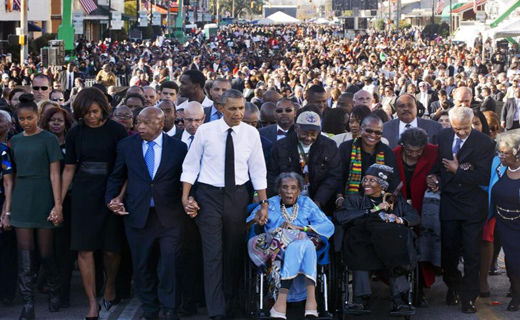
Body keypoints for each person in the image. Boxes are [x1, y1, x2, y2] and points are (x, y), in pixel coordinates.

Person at [180, 89, 268, 320]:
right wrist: (185, 196)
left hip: (238, 196)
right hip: (208, 196)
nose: (238, 113)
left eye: (241, 108)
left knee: (233, 251)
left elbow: (258, 169)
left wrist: (264, 203)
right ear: (220, 108)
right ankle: (216, 310)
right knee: (212, 253)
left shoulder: (251, 134)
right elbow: (191, 165)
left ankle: (233, 301)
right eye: (233, 108)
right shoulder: (206, 131)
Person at [106, 107, 187, 320]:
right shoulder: (126, 146)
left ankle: (169, 307)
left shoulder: (178, 148)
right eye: (138, 121)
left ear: (160, 124)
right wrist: (112, 199)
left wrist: (190, 200)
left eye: (146, 123)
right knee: (142, 266)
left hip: (169, 217)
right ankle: (150, 308)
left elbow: (186, 180)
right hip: (137, 215)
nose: (139, 126)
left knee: (168, 264)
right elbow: (117, 176)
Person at [61, 87, 128, 319]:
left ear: (103, 109)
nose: (91, 116)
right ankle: (92, 302)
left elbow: (126, 168)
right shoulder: (75, 133)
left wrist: (119, 196)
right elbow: (69, 168)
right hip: (83, 193)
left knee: (111, 249)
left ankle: (109, 286)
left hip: (110, 191)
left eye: (95, 111)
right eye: (86, 112)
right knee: (84, 248)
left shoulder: (117, 131)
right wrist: (58, 203)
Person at [427, 106, 495, 313]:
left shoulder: (485, 143)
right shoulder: (442, 137)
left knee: (472, 254)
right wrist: (434, 179)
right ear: (450, 124)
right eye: (457, 129)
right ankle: (454, 286)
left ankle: (469, 297)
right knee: (448, 252)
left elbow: (483, 177)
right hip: (449, 203)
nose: (462, 132)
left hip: (473, 205)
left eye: (465, 128)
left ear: (472, 122)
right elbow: (437, 167)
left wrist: (457, 171)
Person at [1, 93, 63, 319]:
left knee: (46, 253)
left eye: (29, 118)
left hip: (44, 194)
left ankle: (54, 289)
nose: (25, 122)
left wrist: (57, 205)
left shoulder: (48, 139)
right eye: (21, 119)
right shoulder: (14, 141)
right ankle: (28, 304)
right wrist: (6, 210)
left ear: (37, 116)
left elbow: (55, 173)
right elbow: (10, 176)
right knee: (24, 254)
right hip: (21, 197)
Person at [335, 164, 419, 316]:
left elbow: (414, 217)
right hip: (363, 244)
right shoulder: (355, 199)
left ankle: (399, 298)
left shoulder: (395, 200)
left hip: (391, 246)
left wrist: (398, 219)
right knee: (357, 246)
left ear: (382, 185)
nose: (366, 183)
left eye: (372, 180)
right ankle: (360, 298)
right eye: (365, 180)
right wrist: (374, 210)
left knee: (397, 247)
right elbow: (342, 217)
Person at [247, 172, 334, 319]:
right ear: (278, 190)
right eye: (285, 187)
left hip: (302, 243)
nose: (289, 191)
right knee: (302, 243)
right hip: (276, 247)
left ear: (299, 190)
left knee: (302, 242)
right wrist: (257, 220)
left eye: (293, 188)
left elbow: (327, 225)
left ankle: (280, 304)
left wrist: (301, 229)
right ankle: (311, 303)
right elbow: (249, 224)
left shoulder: (306, 203)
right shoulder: (270, 204)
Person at [393, 127, 439, 306]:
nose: (414, 154)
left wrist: (436, 180)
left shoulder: (433, 152)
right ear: (402, 145)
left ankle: (420, 289)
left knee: (423, 245)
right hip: (400, 207)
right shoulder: (394, 154)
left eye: (418, 150)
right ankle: (400, 287)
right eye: (410, 150)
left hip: (424, 206)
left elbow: (441, 172)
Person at [268, 111, 341, 209]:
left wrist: (318, 201)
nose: (308, 138)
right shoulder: (280, 146)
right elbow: (272, 176)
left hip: (320, 201)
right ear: (296, 128)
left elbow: (334, 176)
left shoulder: (329, 146)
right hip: (286, 200)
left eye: (313, 134)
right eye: (305, 133)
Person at [489, 132, 520, 312]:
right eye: (499, 152)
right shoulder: (498, 166)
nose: (501, 156)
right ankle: (515, 293)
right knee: (511, 261)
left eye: (505, 153)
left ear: (517, 153)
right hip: (502, 222)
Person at [337, 115, 398, 200]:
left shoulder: (387, 152)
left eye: (378, 132)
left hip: (378, 203)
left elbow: (393, 180)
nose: (373, 135)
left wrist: (387, 201)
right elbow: (338, 175)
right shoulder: (346, 148)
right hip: (349, 201)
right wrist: (339, 197)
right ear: (361, 130)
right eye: (369, 131)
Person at [0, 111, 16, 305]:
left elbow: (9, 182)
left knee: (5, 252)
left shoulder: (4, 151)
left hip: (3, 202)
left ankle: (6, 292)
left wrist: (6, 211)